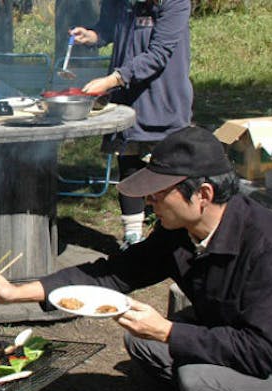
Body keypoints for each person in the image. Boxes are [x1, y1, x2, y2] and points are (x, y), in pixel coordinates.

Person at [0, 126, 272, 391]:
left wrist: (167, 331)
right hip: (232, 338)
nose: (149, 201)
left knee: (197, 381)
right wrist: (14, 292)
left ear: (203, 195)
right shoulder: (179, 231)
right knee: (143, 343)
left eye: (159, 192)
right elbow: (112, 273)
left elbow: (259, 351)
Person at [70, 0, 193, 250]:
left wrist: (113, 79)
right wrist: (93, 36)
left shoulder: (175, 3)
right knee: (129, 166)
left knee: (169, 174)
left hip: (163, 98)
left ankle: (174, 241)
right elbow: (109, 28)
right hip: (127, 100)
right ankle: (133, 240)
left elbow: (158, 55)